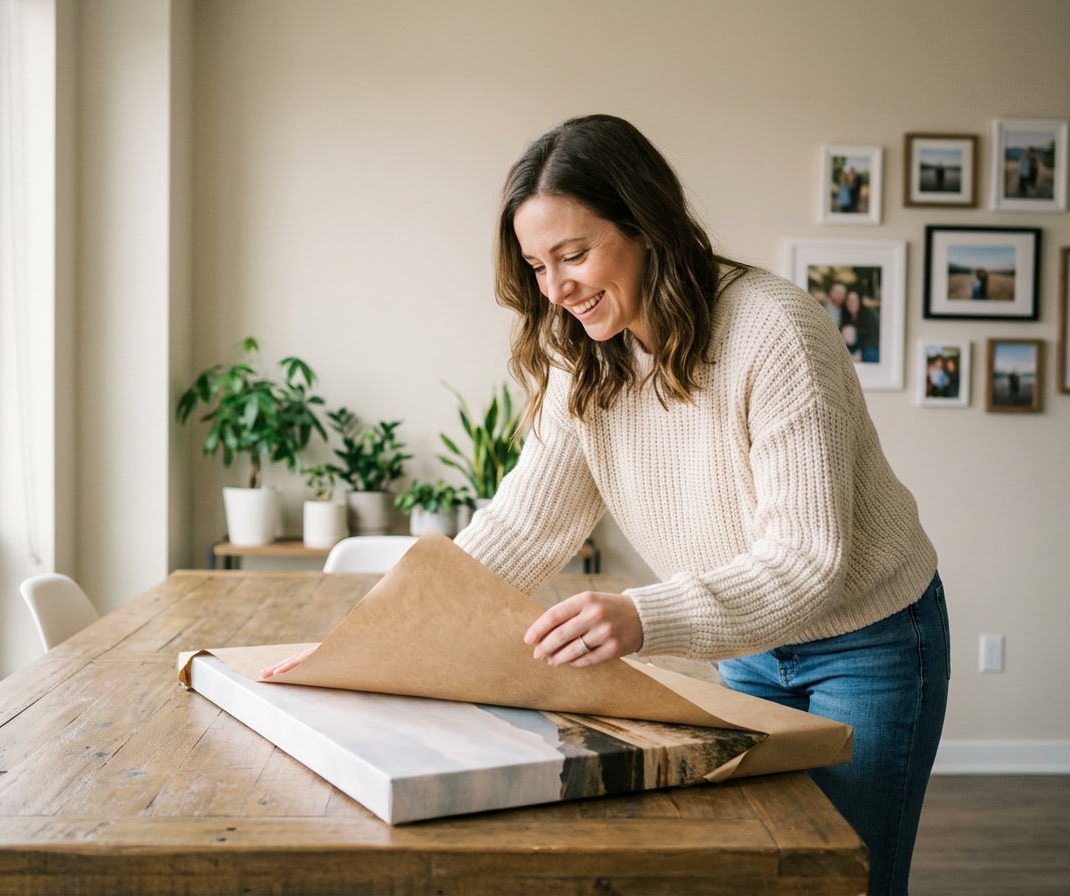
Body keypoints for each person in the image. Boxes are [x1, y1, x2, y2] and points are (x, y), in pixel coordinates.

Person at [263, 115, 946, 896]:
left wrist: (640, 617)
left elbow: (806, 560)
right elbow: (524, 526)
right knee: (758, 874)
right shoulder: (583, 353)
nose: (555, 289)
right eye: (537, 265)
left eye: (574, 255)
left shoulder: (775, 330)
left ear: (647, 226)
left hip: (870, 643)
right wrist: (363, 647)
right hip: (747, 648)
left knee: (847, 881)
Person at [842, 291, 881, 364]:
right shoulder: (847, 317)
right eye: (849, 301)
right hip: (854, 351)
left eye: (854, 301)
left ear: (859, 302)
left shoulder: (869, 315)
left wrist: (861, 353)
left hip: (870, 350)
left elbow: (875, 338)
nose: (851, 303)